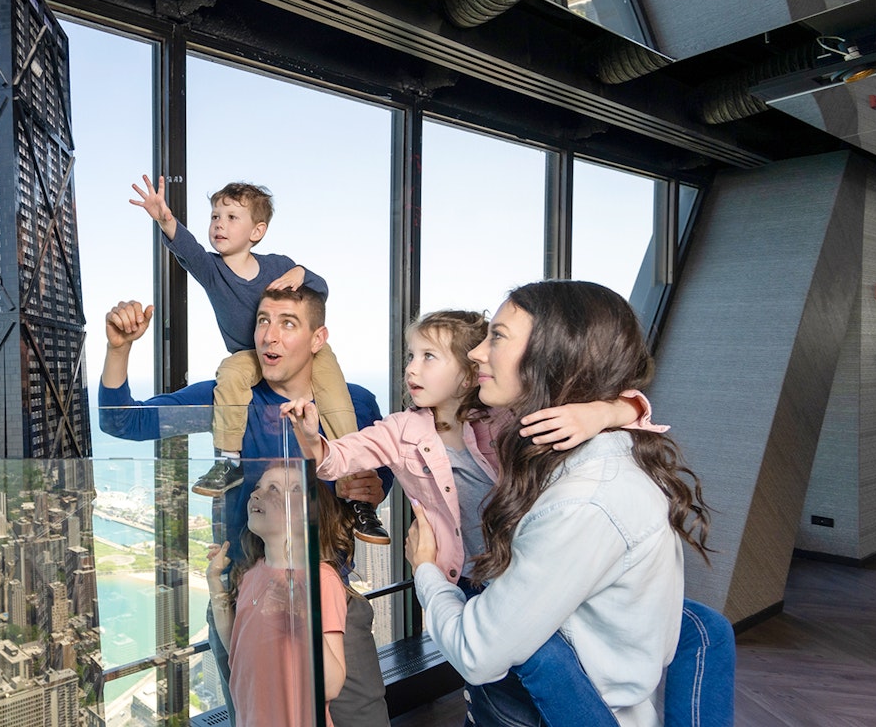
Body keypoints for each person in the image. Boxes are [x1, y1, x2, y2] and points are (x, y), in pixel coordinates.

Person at [282, 309, 667, 727]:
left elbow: (633, 409)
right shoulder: (400, 430)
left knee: (546, 665)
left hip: (526, 568)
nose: (412, 368)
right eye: (411, 356)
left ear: (469, 375)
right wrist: (309, 437)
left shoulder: (504, 418)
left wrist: (601, 413)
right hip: (466, 575)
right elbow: (338, 458)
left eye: (429, 357)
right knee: (491, 686)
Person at [406, 281, 712, 727]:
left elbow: (478, 651)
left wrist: (426, 572)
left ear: (552, 354)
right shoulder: (573, 448)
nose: (476, 352)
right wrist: (608, 410)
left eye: (498, 336)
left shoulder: (584, 502)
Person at [98, 285, 393, 718]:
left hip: (327, 597)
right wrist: (118, 350)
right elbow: (122, 421)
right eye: (262, 321)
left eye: (287, 323)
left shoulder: (358, 403)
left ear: (318, 339)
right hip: (244, 597)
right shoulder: (231, 398)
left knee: (359, 716)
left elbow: (384, 465)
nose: (269, 336)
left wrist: (377, 485)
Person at [130, 174, 388, 543]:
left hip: (304, 354)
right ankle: (228, 462)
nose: (219, 223)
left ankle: (357, 494)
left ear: (258, 231)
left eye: (232, 217)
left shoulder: (277, 265)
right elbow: (185, 248)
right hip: (251, 355)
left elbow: (318, 291)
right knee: (231, 372)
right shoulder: (213, 270)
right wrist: (164, 219)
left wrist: (304, 273)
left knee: (337, 400)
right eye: (215, 216)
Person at [206, 465, 389, 727]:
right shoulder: (252, 575)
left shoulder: (321, 580)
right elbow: (237, 653)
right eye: (259, 486)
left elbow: (331, 685)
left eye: (274, 490)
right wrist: (215, 586)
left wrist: (304, 609)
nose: (255, 494)